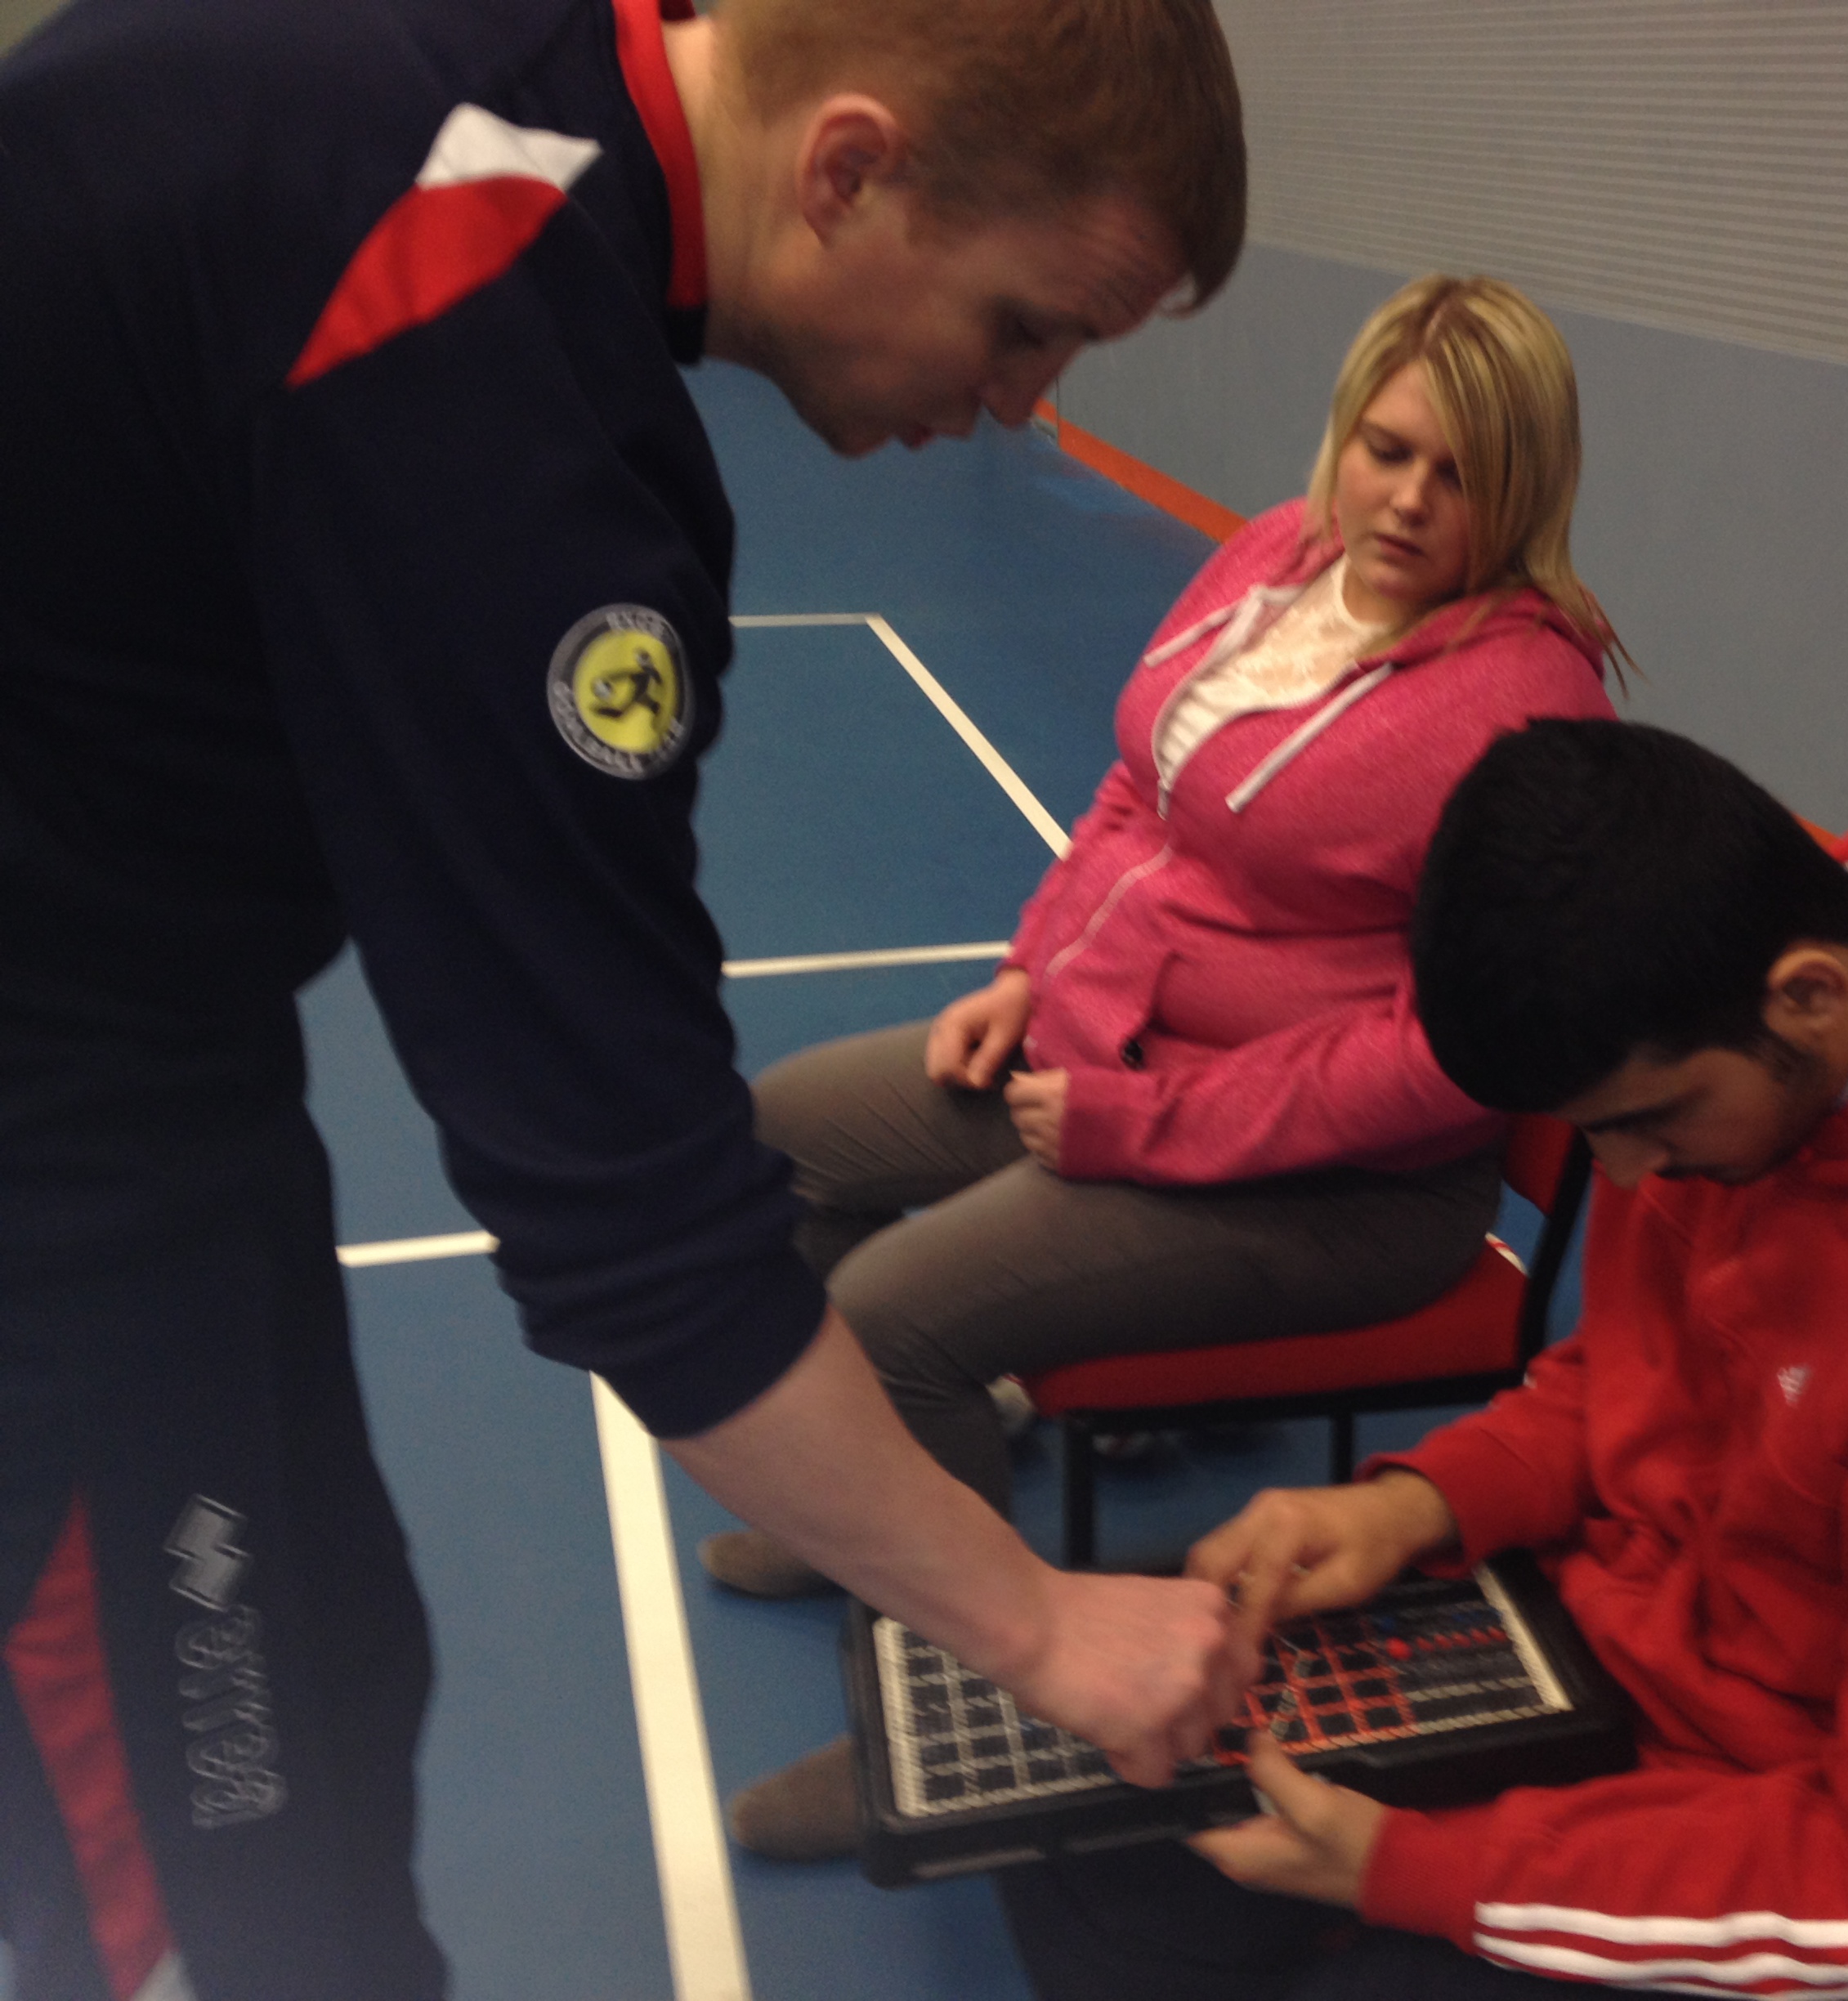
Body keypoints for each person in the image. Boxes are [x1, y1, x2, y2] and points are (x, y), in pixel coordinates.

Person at [0, 0, 1248, 1992]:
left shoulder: (498, 87)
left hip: (149, 1054)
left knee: (328, 1658)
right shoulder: (480, 358)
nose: (1024, 400)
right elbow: (628, 1219)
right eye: (1026, 325)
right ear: (850, 169)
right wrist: (1037, 1626)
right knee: (193, 1833)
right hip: (49, 1137)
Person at [999, 718, 1848, 2000]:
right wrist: (1418, 1503)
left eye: (1644, 1125)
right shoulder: (1754, 1042)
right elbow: (1630, 1379)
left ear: (1809, 995)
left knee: (1172, 1905)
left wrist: (1425, 1870)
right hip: (1653, 1682)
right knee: (1108, 1810)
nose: (1626, 1177)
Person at [702, 273, 1626, 1859]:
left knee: (892, 1315)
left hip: (1341, 1186)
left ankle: (961, 1722)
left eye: (1458, 473)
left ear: (1523, 489)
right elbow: (1142, 791)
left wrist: (1151, 1119)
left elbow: (1459, 1056)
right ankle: (883, 1512)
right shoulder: (1280, 559)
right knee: (778, 1145)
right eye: (1388, 449)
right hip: (1108, 1050)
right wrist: (1026, 974)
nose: (1405, 499)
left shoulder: (1528, 709)